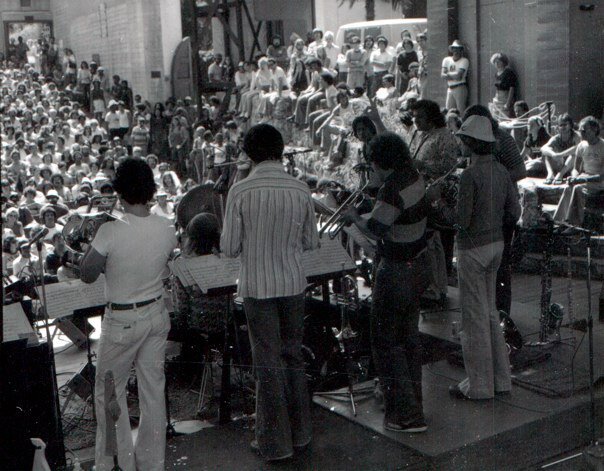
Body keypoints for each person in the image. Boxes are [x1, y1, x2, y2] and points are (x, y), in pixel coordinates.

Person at [221, 124, 319, 462]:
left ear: (249, 154)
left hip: (258, 287)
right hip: (293, 284)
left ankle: (276, 444)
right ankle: (301, 434)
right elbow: (310, 242)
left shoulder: (241, 190)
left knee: (267, 362)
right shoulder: (301, 188)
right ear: (280, 149)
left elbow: (229, 247)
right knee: (292, 355)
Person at [80, 158, 177, 471]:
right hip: (156, 313)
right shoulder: (165, 224)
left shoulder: (110, 230)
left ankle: (110, 463)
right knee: (152, 390)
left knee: (108, 393)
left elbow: (86, 274)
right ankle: (151, 464)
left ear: (119, 190)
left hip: (122, 320)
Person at [340, 132, 429, 433]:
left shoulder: (391, 189)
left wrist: (354, 215)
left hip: (395, 270)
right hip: (418, 265)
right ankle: (414, 404)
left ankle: (404, 415)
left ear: (381, 163)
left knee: (385, 342)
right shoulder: (412, 176)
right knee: (408, 339)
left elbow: (376, 228)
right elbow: (397, 212)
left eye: (372, 163)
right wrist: (372, 201)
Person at [446, 115, 520, 400]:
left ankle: (478, 386)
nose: (460, 145)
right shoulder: (501, 171)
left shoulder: (469, 175)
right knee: (490, 314)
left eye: (462, 140)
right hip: (496, 247)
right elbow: (515, 212)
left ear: (470, 143)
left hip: (472, 250)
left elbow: (461, 221)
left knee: (473, 319)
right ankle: (501, 380)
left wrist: (441, 205)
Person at [553, 116, 604, 227]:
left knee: (578, 188)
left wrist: (582, 179)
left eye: (584, 130)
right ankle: (559, 222)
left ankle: (574, 224)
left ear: (595, 129)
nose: (581, 133)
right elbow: (576, 168)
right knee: (569, 187)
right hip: (584, 178)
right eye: (580, 130)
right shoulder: (581, 146)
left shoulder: (602, 146)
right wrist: (574, 177)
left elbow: (602, 176)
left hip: (599, 183)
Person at [542, 113, 581, 184]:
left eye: (565, 125)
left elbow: (578, 147)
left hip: (574, 166)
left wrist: (560, 155)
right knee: (547, 154)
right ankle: (550, 174)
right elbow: (543, 148)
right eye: (561, 125)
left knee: (574, 154)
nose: (563, 127)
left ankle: (560, 175)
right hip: (561, 164)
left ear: (570, 125)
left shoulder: (576, 135)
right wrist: (553, 154)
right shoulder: (556, 138)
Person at [441, 40, 469, 114]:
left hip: (460, 87)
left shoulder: (464, 60)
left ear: (461, 50)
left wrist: (448, 74)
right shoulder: (446, 60)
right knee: (448, 111)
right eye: (454, 48)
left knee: (461, 111)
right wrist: (453, 75)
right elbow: (442, 75)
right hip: (450, 88)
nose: (456, 51)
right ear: (452, 49)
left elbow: (459, 76)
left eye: (458, 49)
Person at [490, 53, 518, 118]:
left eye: (498, 61)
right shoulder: (496, 74)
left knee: (504, 117)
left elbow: (512, 88)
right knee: (496, 117)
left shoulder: (508, 72)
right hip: (497, 98)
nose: (496, 64)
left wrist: (508, 103)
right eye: (495, 62)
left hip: (505, 97)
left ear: (503, 62)